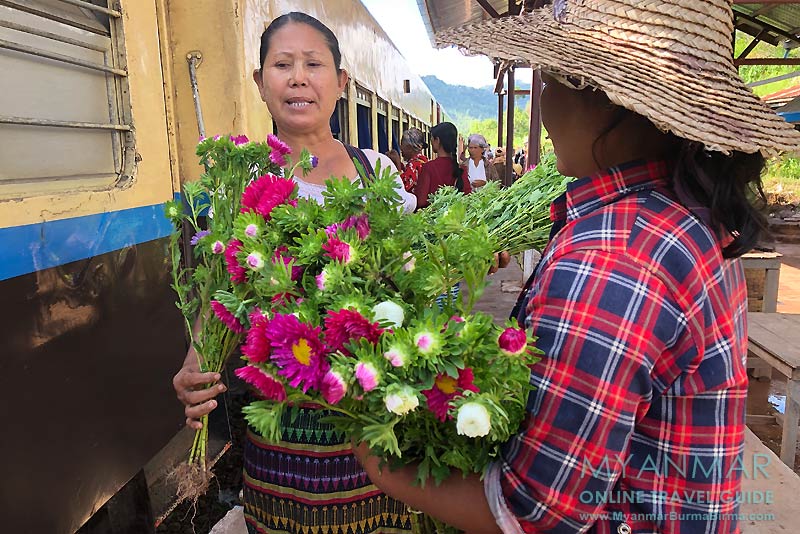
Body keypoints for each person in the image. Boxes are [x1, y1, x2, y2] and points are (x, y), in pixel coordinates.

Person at [352, 1, 800, 532]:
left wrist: (371, 453)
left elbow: (532, 515)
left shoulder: (613, 256)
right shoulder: (680, 217)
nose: (543, 99)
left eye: (550, 77)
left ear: (607, 97)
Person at [172, 12, 416, 534]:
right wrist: (196, 362)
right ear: (260, 82)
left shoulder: (377, 173)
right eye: (282, 65)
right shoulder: (241, 180)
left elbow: (407, 277)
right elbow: (222, 289)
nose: (299, 78)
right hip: (281, 416)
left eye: (314, 64)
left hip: (370, 405)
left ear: (341, 82)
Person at [414, 121, 471, 209]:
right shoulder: (461, 169)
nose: (431, 142)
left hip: (433, 216)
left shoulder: (428, 167)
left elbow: (420, 202)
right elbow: (468, 198)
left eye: (432, 139)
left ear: (437, 140)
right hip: (455, 216)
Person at [386, 127, 429, 193]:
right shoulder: (423, 160)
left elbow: (402, 186)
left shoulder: (415, 164)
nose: (400, 148)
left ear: (409, 147)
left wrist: (397, 163)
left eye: (402, 145)